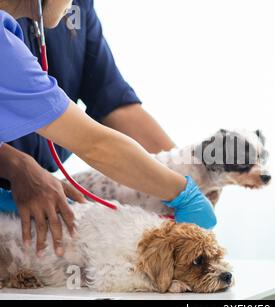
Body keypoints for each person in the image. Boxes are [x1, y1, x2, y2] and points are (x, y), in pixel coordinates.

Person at [0, 0, 217, 258]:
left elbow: (114, 104)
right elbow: (95, 144)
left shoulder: (16, 29)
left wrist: (186, 169)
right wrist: (182, 192)